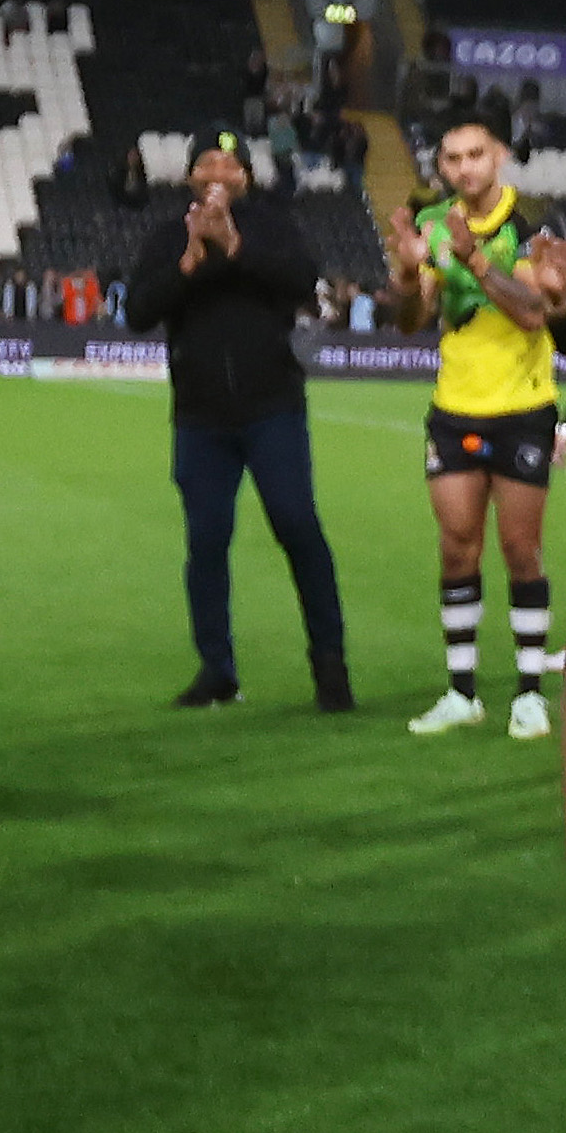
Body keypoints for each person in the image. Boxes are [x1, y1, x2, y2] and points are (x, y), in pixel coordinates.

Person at [129, 136, 349, 712]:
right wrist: (187, 265)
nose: (219, 171)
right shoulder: (165, 236)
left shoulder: (275, 225)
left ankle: (330, 665)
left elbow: (303, 281)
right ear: (189, 177)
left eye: (231, 162)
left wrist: (234, 244)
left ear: (248, 177)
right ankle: (216, 671)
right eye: (207, 162)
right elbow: (137, 313)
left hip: (272, 407)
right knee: (206, 542)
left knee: (298, 526)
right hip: (200, 418)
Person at [387, 115, 566, 741]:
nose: (463, 167)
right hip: (454, 407)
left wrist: (472, 258)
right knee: (456, 548)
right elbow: (413, 321)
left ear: (498, 157)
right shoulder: (430, 224)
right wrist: (406, 274)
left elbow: (535, 316)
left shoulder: (534, 225)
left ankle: (529, 694)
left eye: (475, 154)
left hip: (523, 409)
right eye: (451, 158)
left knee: (521, 550)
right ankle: (461, 692)